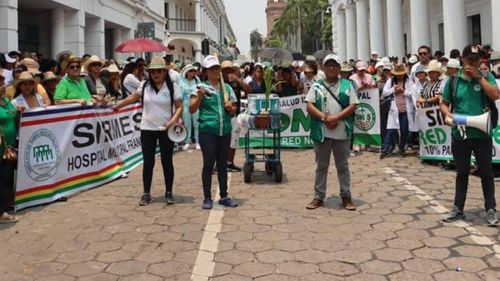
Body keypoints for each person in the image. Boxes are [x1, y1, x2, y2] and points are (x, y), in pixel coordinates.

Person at [440, 44, 499, 226]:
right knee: (462, 172)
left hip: (482, 134)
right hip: (461, 134)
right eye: (470, 60)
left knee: (486, 172)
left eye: (476, 59)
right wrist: (447, 114)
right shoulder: (453, 81)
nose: (473, 63)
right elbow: (444, 103)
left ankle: (490, 208)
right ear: (462, 60)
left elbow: (495, 95)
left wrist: (479, 78)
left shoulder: (486, 76)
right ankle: (458, 208)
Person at [113, 57, 183, 206]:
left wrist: (172, 121)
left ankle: (169, 192)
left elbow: (179, 107)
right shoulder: (144, 86)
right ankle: (146, 193)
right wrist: (117, 106)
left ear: (165, 72)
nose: (156, 74)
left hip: (166, 128)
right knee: (148, 161)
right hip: (147, 128)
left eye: (159, 71)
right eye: (153, 71)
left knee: (167, 161)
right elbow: (133, 97)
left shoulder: (172, 87)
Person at [305, 54, 359, 210]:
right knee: (321, 166)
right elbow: (309, 106)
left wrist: (336, 118)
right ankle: (318, 196)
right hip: (322, 132)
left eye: (334, 65)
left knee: (342, 166)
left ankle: (346, 196)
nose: (331, 68)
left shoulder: (347, 85)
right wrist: (324, 118)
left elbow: (353, 105)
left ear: (339, 68)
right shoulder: (317, 85)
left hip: (342, 132)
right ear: (323, 68)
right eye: (328, 65)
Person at [190, 55, 238, 210]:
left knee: (223, 165)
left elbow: (234, 110)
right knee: (209, 164)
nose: (215, 71)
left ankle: (224, 196)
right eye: (212, 69)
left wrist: (231, 108)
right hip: (208, 131)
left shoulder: (227, 88)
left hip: (225, 131)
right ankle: (207, 197)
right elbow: (191, 109)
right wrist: (199, 97)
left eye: (217, 68)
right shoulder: (200, 88)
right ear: (206, 71)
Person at [381, 64, 414, 158]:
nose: (400, 76)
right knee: (391, 129)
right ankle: (386, 149)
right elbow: (385, 92)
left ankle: (402, 148)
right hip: (394, 109)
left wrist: (403, 91)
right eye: (398, 74)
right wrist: (394, 89)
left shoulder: (409, 81)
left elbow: (412, 94)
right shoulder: (391, 81)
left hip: (405, 110)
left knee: (404, 130)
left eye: (401, 74)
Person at [0, 70, 18, 223]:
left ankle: (5, 206)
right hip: (1, 147)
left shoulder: (6, 101)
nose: (2, 86)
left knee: (7, 178)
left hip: (9, 147)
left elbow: (12, 113)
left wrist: (19, 111)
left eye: (2, 82)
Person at [180, 64, 201, 151]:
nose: (193, 72)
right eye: (191, 71)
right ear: (187, 72)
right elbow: (180, 95)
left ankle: (197, 141)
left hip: (195, 102)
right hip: (185, 103)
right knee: (187, 123)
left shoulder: (197, 80)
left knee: (196, 123)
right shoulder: (181, 81)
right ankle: (187, 141)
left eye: (194, 71)